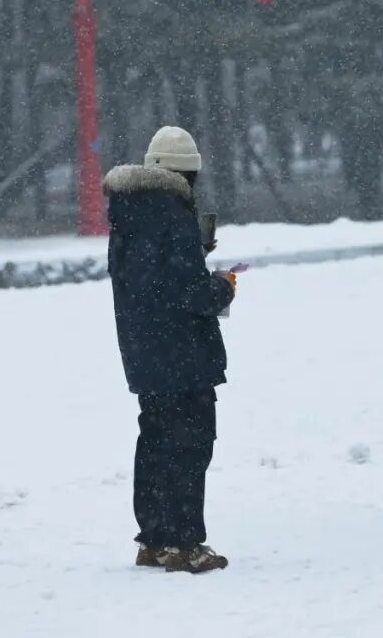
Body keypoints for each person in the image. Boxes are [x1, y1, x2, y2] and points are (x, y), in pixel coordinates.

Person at [102, 125, 236, 572]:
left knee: (156, 443)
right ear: (187, 174)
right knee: (191, 446)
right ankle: (186, 544)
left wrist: (192, 253)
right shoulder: (174, 217)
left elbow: (147, 282)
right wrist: (222, 285)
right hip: (183, 356)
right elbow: (192, 296)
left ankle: (155, 540)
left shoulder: (126, 215)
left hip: (143, 352)